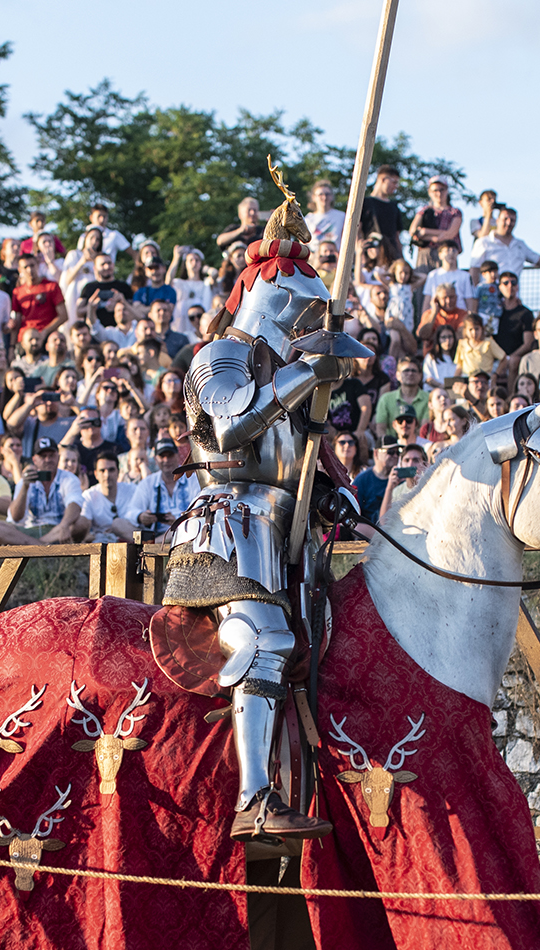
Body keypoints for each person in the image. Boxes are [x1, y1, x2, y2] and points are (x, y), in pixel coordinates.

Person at [164, 181, 366, 842]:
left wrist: (339, 494)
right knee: (266, 641)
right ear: (276, 302)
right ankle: (253, 799)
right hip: (226, 526)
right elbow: (228, 428)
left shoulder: (280, 371)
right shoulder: (222, 353)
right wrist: (309, 373)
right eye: (304, 319)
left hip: (280, 535)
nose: (308, 332)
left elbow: (300, 464)